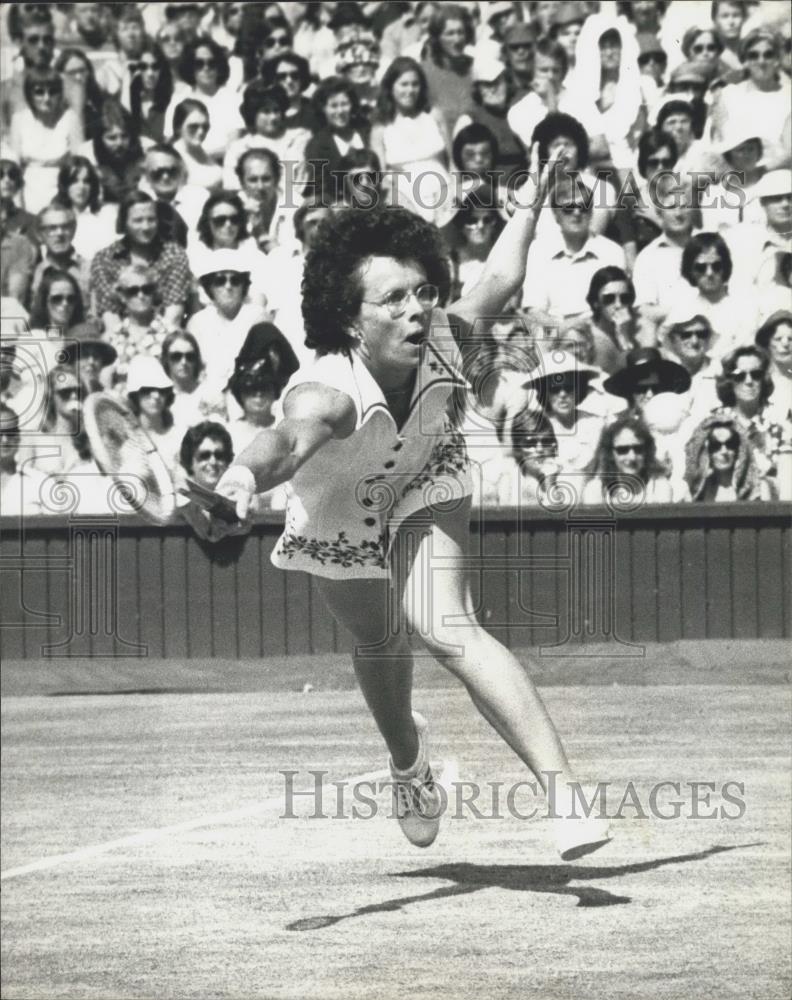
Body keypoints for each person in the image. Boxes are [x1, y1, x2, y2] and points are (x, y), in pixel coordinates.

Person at [209, 195, 612, 859]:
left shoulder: (447, 334)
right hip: (340, 509)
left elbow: (502, 276)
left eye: (422, 291)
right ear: (350, 318)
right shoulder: (326, 391)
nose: (416, 309)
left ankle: (564, 796)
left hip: (427, 473)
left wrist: (530, 204)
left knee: (448, 627)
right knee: (379, 639)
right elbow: (284, 442)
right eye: (391, 299)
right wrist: (239, 481)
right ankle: (407, 761)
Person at [521, 175, 625, 330]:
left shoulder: (612, 252)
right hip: (554, 333)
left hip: (601, 331)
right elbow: (534, 311)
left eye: (584, 207)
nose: (577, 213)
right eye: (568, 209)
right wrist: (567, 329)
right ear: (556, 215)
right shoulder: (538, 251)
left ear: (591, 212)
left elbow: (619, 308)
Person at [90, 190, 192, 333]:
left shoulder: (174, 255)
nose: (146, 227)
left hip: (164, 335)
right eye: (138, 220)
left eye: (151, 219)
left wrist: (152, 341)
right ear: (124, 223)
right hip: (120, 337)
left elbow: (173, 314)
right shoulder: (105, 259)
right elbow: (110, 316)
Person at [369, 57, 453, 227]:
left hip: (444, 196)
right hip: (405, 203)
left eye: (415, 84)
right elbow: (381, 179)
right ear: (390, 87)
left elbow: (453, 162)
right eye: (404, 84)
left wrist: (452, 194)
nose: (410, 90)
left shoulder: (434, 115)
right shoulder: (380, 128)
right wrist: (404, 207)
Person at [187, 249, 267, 404]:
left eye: (235, 280)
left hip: (249, 397)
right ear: (210, 287)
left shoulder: (257, 317)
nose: (228, 286)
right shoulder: (197, 322)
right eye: (220, 281)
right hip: (208, 398)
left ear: (243, 285)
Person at [664, 231, 758, 360]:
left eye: (716, 266)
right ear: (690, 270)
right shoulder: (681, 311)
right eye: (701, 267)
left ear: (725, 267)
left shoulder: (744, 309)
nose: (709, 273)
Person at [9, 68, 84, 213]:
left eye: (52, 92)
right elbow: (13, 167)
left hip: (62, 192)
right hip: (28, 192)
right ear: (29, 94)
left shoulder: (70, 118)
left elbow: (81, 163)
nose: (47, 98)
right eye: (39, 92)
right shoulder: (19, 119)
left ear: (60, 94)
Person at [520, 350, 604, 478]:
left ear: (579, 389)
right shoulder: (539, 427)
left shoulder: (596, 423)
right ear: (545, 393)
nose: (563, 395)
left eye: (569, 388)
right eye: (555, 389)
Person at [164, 36, 244, 163]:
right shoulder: (179, 100)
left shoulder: (233, 99)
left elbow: (234, 145)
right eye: (199, 64)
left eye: (211, 63)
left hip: (224, 163)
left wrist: (203, 158)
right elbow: (171, 140)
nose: (206, 68)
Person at [222, 82, 311, 194]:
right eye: (266, 111)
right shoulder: (239, 148)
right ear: (253, 114)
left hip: (295, 200)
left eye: (276, 110)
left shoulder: (301, 138)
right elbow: (232, 185)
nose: (273, 117)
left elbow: (305, 177)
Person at [581, 411, 683, 505]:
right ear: (611, 454)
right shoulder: (597, 490)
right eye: (623, 450)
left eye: (638, 449)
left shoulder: (659, 488)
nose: (632, 457)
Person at [103, 263, 172, 393]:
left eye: (147, 289)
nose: (141, 295)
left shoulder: (170, 333)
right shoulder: (113, 337)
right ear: (122, 296)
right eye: (133, 291)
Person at [304, 76, 368, 204]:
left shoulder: (366, 131)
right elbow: (320, 190)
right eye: (333, 106)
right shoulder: (317, 145)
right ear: (323, 109)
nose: (340, 111)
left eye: (344, 104)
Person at [684, 413, 773, 502]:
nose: (724, 451)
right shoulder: (697, 491)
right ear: (707, 451)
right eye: (716, 445)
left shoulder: (758, 490)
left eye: (730, 444)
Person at [420, 5, 475, 135]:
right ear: (437, 38)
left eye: (460, 32)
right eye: (450, 33)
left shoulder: (474, 66)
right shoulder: (424, 73)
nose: (457, 40)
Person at [125, 354, 182, 473]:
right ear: (135, 395)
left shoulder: (179, 435)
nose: (156, 396)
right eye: (147, 390)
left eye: (162, 390)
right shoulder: (128, 443)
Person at [55, 156, 116, 259]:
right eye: (74, 181)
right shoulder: (57, 218)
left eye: (86, 181)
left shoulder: (107, 214)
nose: (81, 187)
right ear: (65, 185)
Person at [30, 203, 91, 306]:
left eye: (65, 227)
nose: (59, 233)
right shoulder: (34, 273)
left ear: (73, 231)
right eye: (52, 228)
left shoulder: (89, 269)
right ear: (39, 234)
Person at [0, 403, 47, 516]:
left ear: (18, 437)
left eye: (11, 433)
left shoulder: (40, 482)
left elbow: (59, 524)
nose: (5, 440)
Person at [170, 98, 223, 194]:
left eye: (205, 127)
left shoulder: (203, 153)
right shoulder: (171, 158)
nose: (201, 132)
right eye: (193, 126)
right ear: (178, 127)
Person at [127, 38, 175, 144]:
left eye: (155, 67)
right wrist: (128, 77)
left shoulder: (171, 102)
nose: (150, 73)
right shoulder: (129, 101)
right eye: (143, 67)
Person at [261, 52, 321, 134]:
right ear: (273, 80)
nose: (289, 81)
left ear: (302, 78)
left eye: (295, 75)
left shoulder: (316, 111)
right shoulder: (264, 113)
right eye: (282, 76)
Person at [755, 310, 792, 425]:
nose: (785, 344)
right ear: (767, 343)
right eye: (778, 339)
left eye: (790, 339)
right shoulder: (756, 380)